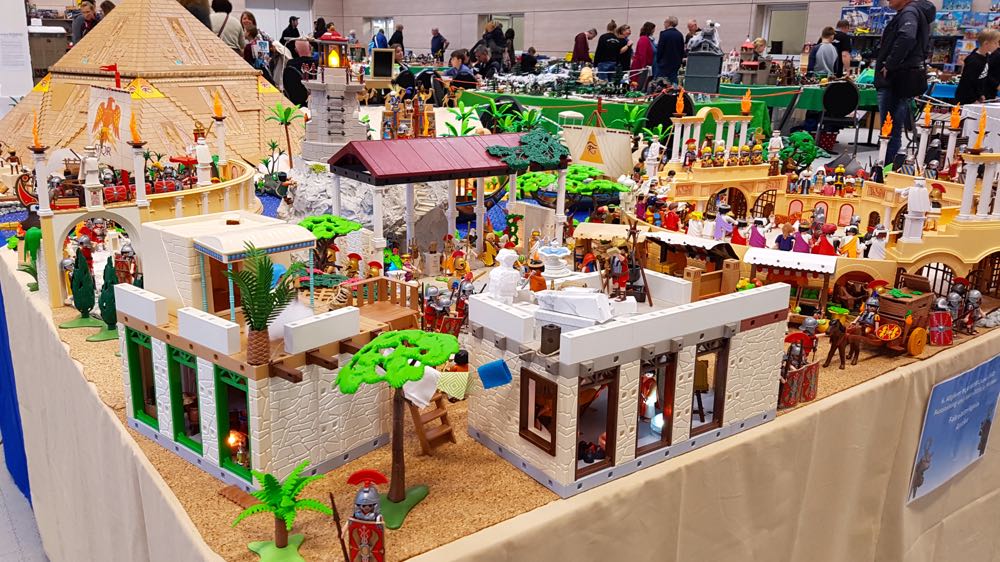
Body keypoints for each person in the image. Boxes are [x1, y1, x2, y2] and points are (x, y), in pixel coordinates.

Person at [875, 0, 936, 166]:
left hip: (896, 79)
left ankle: (886, 169)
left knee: (889, 129)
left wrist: (890, 64)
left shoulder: (909, 12)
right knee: (893, 128)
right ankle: (889, 166)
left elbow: (907, 37)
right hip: (902, 77)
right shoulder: (914, 13)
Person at [956, 29, 1000, 104]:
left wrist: (980, 94)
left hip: (977, 98)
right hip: (966, 100)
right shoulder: (974, 61)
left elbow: (981, 79)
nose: (998, 46)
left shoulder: (986, 56)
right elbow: (967, 83)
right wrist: (972, 100)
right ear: (986, 43)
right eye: (995, 43)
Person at [655, 16, 685, 83]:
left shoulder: (664, 34)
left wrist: (658, 61)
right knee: (674, 82)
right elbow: (681, 50)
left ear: (669, 23)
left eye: (665, 22)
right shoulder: (679, 34)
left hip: (664, 64)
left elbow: (660, 50)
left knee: (661, 83)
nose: (664, 24)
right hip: (675, 64)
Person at [283, 40, 312, 107]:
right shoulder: (319, 64)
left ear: (296, 50)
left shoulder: (290, 65)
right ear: (310, 47)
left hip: (296, 105)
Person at [631, 22, 655, 90]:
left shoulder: (646, 38)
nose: (654, 31)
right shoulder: (644, 39)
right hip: (640, 66)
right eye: (653, 29)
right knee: (637, 85)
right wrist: (643, 66)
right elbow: (642, 54)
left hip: (642, 65)